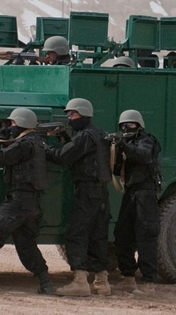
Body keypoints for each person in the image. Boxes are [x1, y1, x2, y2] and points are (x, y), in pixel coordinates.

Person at [0, 108, 54, 295]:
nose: (11, 126)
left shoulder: (25, 143)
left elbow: (1, 157)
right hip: (29, 201)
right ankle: (45, 282)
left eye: (12, 123)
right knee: (25, 242)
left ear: (21, 123)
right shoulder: (34, 141)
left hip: (19, 200)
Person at [45, 98, 112, 297]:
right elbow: (79, 153)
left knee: (76, 233)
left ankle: (80, 281)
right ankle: (102, 282)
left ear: (83, 113)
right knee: (98, 236)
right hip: (101, 192)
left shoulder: (85, 136)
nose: (70, 118)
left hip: (87, 191)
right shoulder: (99, 134)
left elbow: (62, 157)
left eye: (72, 114)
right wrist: (65, 137)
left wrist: (43, 146)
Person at [112, 109, 161, 295]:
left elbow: (143, 155)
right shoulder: (128, 144)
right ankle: (128, 277)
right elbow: (116, 169)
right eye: (123, 125)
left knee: (146, 235)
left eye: (130, 124)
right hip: (131, 192)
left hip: (145, 193)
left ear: (139, 126)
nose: (126, 128)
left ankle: (149, 282)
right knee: (122, 234)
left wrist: (123, 145)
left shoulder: (147, 140)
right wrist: (115, 149)